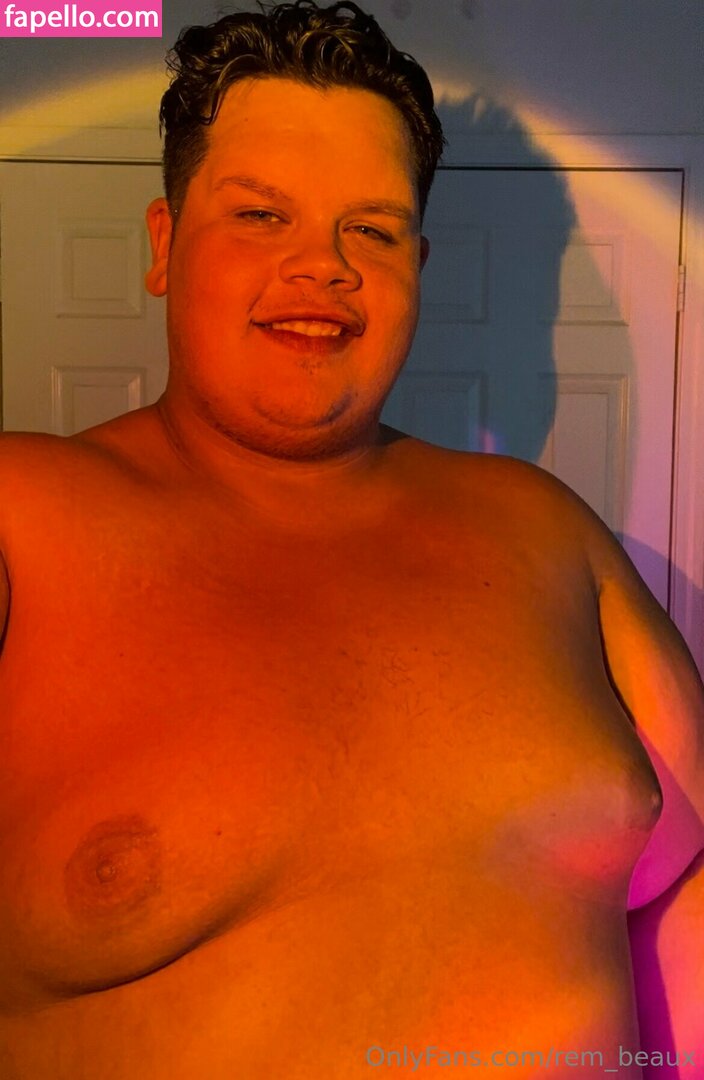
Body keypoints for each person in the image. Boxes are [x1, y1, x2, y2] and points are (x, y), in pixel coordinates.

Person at [0, 2, 702, 1076]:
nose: (322, 265)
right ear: (165, 243)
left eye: (370, 230)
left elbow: (681, 878)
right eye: (261, 215)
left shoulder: (544, 527)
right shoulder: (22, 518)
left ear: (416, 262)